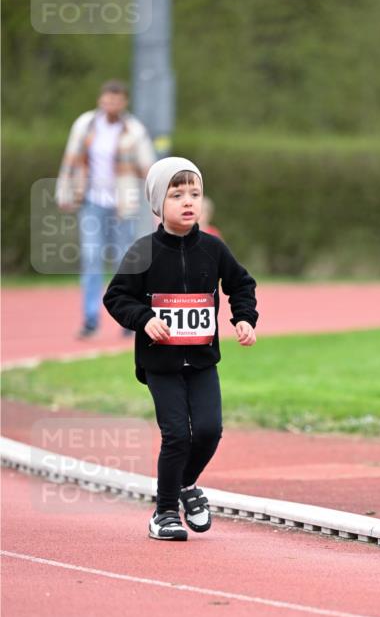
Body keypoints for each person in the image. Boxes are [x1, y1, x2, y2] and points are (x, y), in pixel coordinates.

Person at [103, 157, 259, 541]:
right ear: (159, 203)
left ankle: (186, 484)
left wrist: (244, 318)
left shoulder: (213, 249)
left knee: (208, 431)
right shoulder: (143, 251)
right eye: (177, 195)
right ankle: (164, 513)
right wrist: (143, 318)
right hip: (162, 363)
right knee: (177, 435)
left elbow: (241, 284)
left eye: (195, 193)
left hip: (203, 361)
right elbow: (116, 297)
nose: (188, 201)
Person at [56, 79, 156, 339]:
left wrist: (159, 195)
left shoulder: (134, 130)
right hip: (91, 202)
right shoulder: (85, 124)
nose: (110, 104)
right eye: (107, 99)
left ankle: (128, 319)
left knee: (125, 262)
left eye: (116, 100)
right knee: (91, 258)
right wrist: (63, 191)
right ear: (101, 100)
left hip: (123, 205)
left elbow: (148, 166)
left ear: (124, 102)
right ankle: (90, 321)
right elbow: (70, 159)